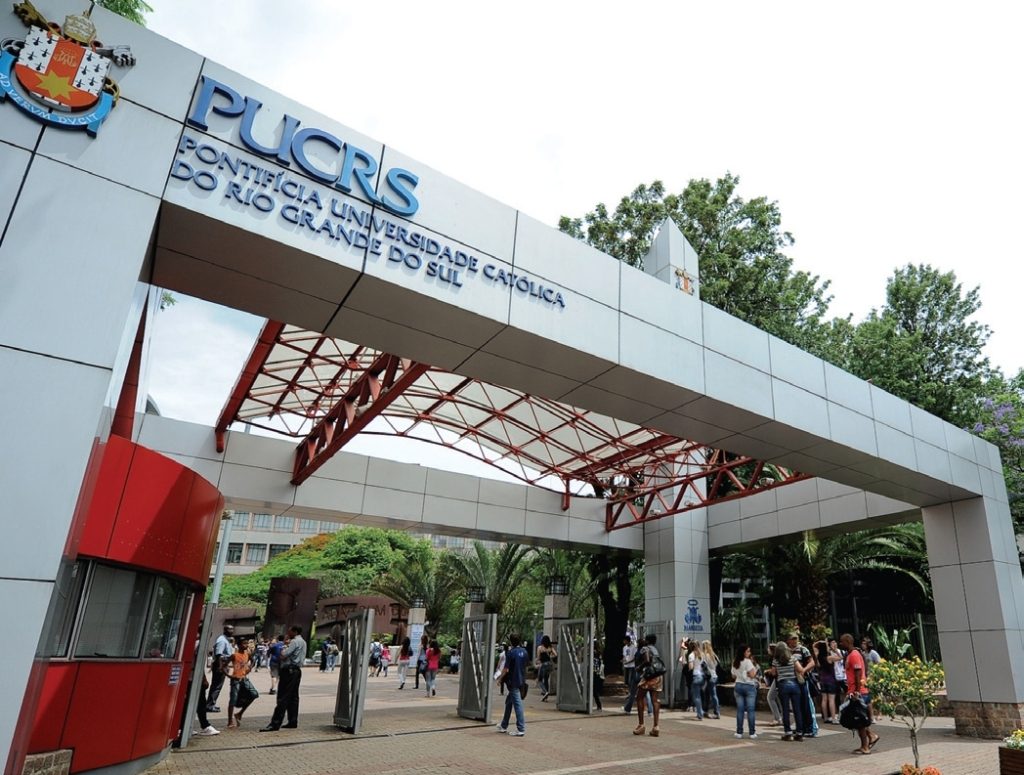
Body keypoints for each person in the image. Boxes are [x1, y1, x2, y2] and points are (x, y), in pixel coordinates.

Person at [260, 625, 306, 732]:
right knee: (293, 697)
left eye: (290, 631)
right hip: (296, 671)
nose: (288, 634)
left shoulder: (294, 642)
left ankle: (275, 723)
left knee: (283, 697)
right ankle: (292, 720)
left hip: (289, 671)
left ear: (295, 632)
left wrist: (285, 644)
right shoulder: (303, 642)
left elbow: (283, 655)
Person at [842, 632, 880, 754]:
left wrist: (857, 691)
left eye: (842, 642)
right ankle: (870, 737)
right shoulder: (851, 654)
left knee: (859, 720)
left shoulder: (854, 655)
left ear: (848, 642)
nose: (840, 644)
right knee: (857, 719)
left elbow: (858, 673)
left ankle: (865, 746)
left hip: (858, 692)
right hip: (855, 691)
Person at [770, 640, 806, 741]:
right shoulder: (792, 658)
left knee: (785, 710)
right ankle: (799, 733)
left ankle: (788, 733)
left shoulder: (776, 660)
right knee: (797, 709)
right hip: (794, 684)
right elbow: (801, 669)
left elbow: (773, 673)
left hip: (783, 685)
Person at [495, 632, 528, 736]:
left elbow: (506, 669)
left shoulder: (510, 653)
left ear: (511, 641)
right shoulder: (524, 652)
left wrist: (500, 679)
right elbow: (526, 666)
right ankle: (503, 725)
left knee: (517, 704)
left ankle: (521, 728)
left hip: (512, 681)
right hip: (521, 680)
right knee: (509, 702)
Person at [786, 632, 817, 738]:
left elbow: (812, 662)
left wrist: (804, 670)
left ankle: (809, 728)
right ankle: (801, 727)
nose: (794, 641)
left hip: (802, 680)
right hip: (791, 680)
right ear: (788, 641)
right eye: (792, 639)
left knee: (805, 704)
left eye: (796, 639)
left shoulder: (803, 649)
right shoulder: (786, 651)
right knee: (796, 705)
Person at [633, 633, 662, 737]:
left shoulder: (645, 648)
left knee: (639, 697)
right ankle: (656, 726)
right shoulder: (655, 650)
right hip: (658, 675)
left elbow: (647, 660)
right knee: (655, 700)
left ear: (647, 641)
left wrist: (639, 667)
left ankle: (641, 725)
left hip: (648, 676)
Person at [731, 643, 759, 739]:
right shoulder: (748, 662)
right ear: (743, 652)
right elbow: (752, 675)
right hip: (749, 686)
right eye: (748, 651)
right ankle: (752, 732)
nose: (749, 653)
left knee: (740, 710)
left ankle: (739, 732)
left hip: (738, 685)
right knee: (750, 710)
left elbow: (733, 675)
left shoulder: (735, 662)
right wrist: (751, 672)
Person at [227, 637, 254, 728]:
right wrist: (229, 675)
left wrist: (250, 668)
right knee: (233, 700)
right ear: (239, 645)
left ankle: (239, 713)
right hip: (235, 680)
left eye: (247, 643)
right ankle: (230, 721)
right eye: (244, 643)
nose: (246, 645)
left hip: (244, 679)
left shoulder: (247, 654)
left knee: (254, 694)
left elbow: (253, 660)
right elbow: (223, 666)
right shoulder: (234, 655)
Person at [206, 624, 234, 713]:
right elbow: (219, 655)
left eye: (232, 629)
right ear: (225, 630)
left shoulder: (226, 640)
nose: (232, 631)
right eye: (230, 630)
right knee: (216, 686)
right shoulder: (222, 640)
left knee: (217, 686)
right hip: (220, 664)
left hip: (223, 663)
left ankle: (211, 703)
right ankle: (210, 705)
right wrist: (220, 666)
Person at [816, 640, 839, 723]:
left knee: (824, 699)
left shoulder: (818, 657)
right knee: (831, 699)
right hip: (830, 680)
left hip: (822, 680)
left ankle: (825, 717)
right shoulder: (829, 657)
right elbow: (840, 657)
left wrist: (820, 643)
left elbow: (814, 646)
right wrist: (835, 650)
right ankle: (833, 718)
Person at [701, 640, 721, 719]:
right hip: (714, 676)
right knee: (708, 693)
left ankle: (717, 712)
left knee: (713, 695)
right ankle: (705, 711)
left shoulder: (705, 656)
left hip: (710, 677)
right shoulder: (714, 655)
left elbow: (702, 666)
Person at [764, 643, 783, 726]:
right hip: (780, 680)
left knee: (770, 697)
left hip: (777, 680)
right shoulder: (782, 657)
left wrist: (768, 671)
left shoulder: (774, 659)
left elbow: (774, 671)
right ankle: (782, 718)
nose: (767, 650)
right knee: (779, 699)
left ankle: (777, 718)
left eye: (768, 649)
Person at [690, 640, 707, 720]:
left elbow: (690, 667)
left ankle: (700, 715)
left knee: (696, 697)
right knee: (700, 696)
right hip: (702, 676)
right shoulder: (702, 654)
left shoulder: (691, 655)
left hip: (696, 676)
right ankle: (702, 711)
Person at [536, 635, 556, 701]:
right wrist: (550, 657)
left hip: (543, 665)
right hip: (550, 665)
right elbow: (556, 654)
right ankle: (546, 698)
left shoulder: (540, 648)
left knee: (539, 680)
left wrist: (537, 663)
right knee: (546, 680)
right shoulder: (550, 648)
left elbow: (538, 658)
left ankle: (545, 692)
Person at [591, 644, 604, 711]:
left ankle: (598, 705)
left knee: (594, 691)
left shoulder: (593, 655)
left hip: (594, 673)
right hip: (597, 674)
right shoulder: (599, 656)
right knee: (595, 691)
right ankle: (599, 705)